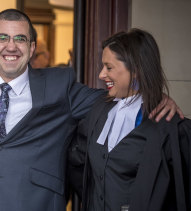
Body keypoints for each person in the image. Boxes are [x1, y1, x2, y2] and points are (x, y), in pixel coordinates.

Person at [0, 9, 181, 211]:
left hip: (38, 204)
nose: (11, 46)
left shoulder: (58, 85)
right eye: (2, 38)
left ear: (32, 47)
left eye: (20, 39)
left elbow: (113, 98)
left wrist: (152, 97)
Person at [79, 29, 191, 210]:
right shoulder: (98, 109)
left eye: (109, 67)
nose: (101, 75)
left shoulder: (169, 128)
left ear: (136, 70)